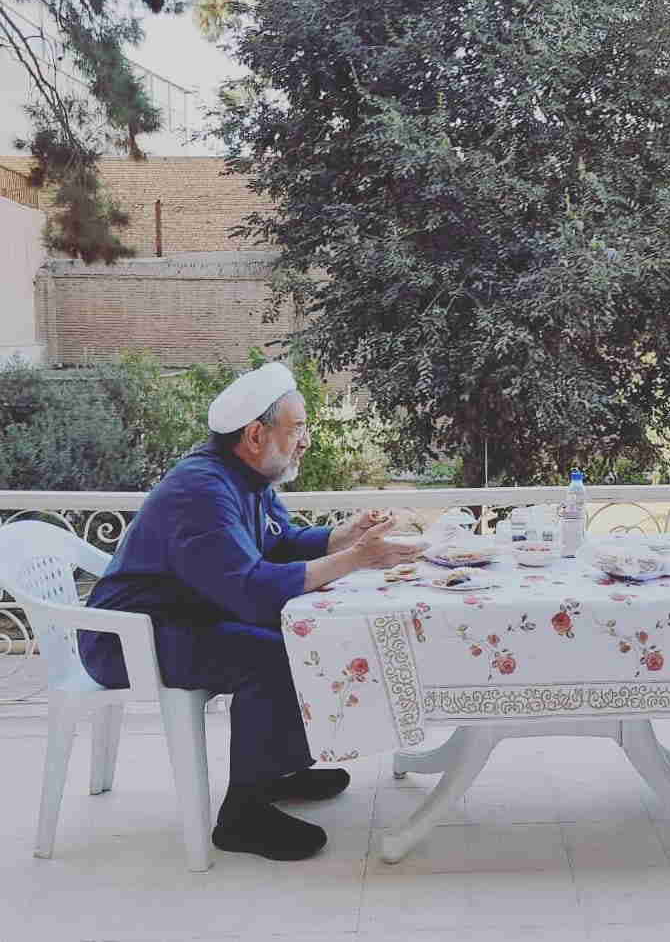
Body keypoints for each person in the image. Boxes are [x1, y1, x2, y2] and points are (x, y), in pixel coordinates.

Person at [79, 362, 425, 861]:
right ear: (256, 434)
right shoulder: (201, 491)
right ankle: (242, 816)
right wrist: (356, 559)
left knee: (296, 644)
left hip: (182, 621)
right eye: (298, 428)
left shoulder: (246, 476)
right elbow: (253, 592)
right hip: (127, 640)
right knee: (273, 657)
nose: (306, 441)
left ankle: (276, 771)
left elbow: (281, 544)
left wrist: (343, 536)